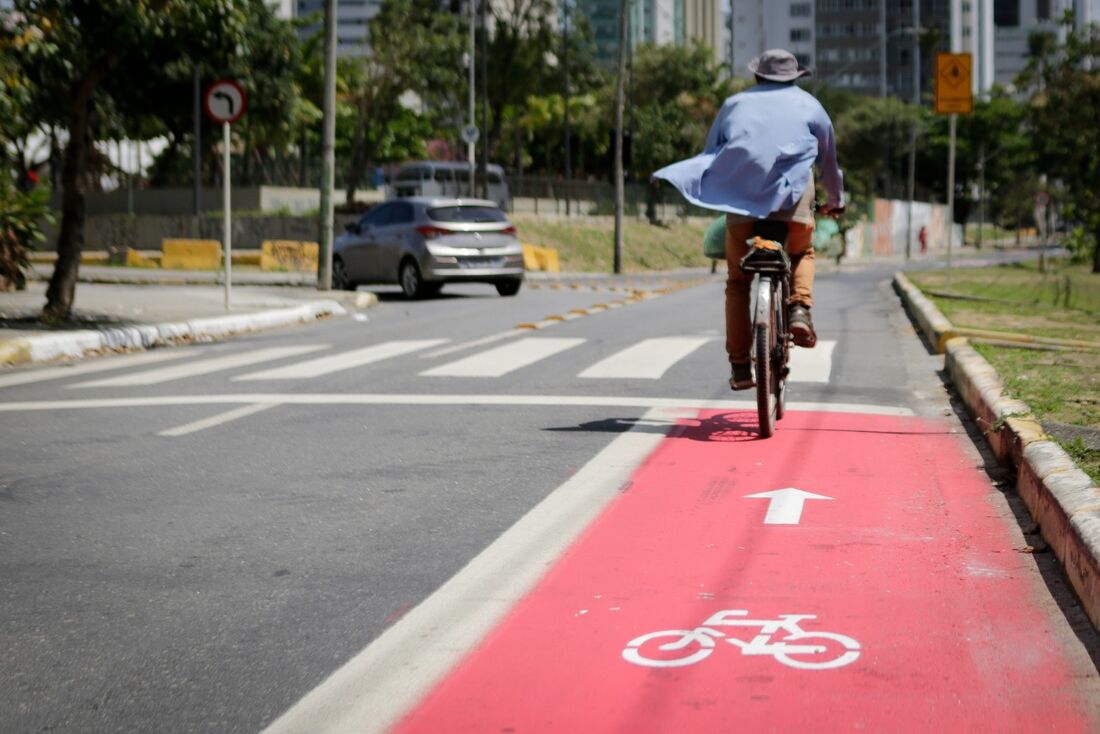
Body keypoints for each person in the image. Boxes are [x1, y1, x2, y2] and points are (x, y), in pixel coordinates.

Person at [652, 49, 845, 391]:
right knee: (802, 253)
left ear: (757, 77)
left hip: (741, 205)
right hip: (794, 204)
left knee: (738, 282)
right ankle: (800, 309)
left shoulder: (734, 104)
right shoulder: (811, 106)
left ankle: (740, 367)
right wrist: (836, 200)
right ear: (795, 77)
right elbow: (829, 162)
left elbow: (712, 152)